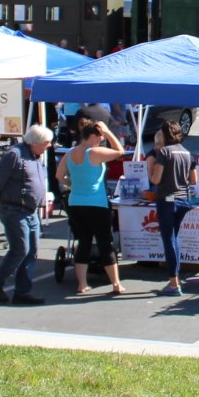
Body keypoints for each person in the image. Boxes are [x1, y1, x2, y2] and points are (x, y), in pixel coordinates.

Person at [54, 118, 125, 296]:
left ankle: (82, 284)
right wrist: (108, 131)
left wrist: (72, 182)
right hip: (96, 204)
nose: (101, 139)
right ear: (92, 136)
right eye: (99, 137)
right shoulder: (93, 152)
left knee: (83, 243)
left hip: (76, 203)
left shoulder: (70, 153)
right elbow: (120, 151)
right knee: (105, 244)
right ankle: (116, 283)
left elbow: (58, 175)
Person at [0, 124, 54, 305]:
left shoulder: (35, 155)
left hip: (30, 211)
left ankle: (22, 291)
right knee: (21, 249)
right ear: (36, 142)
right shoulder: (14, 155)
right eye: (47, 143)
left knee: (32, 251)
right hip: (14, 209)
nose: (49, 146)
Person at [146, 121, 195, 297]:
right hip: (183, 199)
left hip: (167, 199)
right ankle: (175, 280)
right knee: (174, 238)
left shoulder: (165, 152)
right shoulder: (187, 152)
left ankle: (174, 282)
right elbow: (194, 180)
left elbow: (156, 180)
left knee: (169, 240)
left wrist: (150, 169)